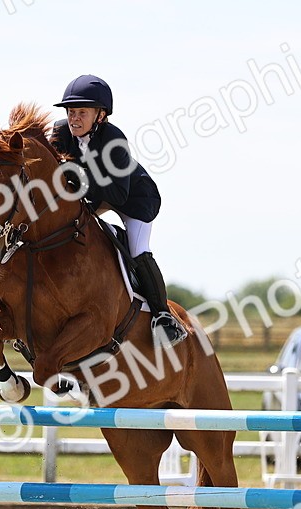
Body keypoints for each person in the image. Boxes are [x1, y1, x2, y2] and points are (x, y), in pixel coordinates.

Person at [49, 74, 188, 347]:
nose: (74, 118)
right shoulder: (60, 132)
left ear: (100, 116)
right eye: (71, 111)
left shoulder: (114, 141)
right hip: (96, 194)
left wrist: (80, 171)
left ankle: (163, 317)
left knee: (138, 251)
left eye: (82, 113)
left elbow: (116, 194)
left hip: (134, 199)